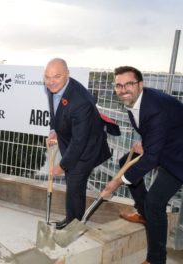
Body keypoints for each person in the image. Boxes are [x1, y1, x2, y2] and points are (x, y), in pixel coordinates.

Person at [102, 66, 183, 264]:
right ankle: (145, 214)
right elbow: (158, 130)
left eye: (128, 84)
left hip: (179, 157)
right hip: (169, 144)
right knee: (126, 163)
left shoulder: (155, 108)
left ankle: (156, 260)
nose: (123, 89)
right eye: (119, 85)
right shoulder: (135, 101)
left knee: (155, 203)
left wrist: (117, 182)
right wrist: (146, 143)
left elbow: (151, 158)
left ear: (140, 84)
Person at [44, 58, 111, 229]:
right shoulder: (54, 87)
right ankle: (72, 219)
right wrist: (54, 131)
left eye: (56, 76)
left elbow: (79, 141)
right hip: (73, 141)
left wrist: (63, 165)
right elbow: (56, 113)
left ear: (67, 75)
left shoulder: (81, 101)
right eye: (47, 77)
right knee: (73, 184)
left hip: (87, 148)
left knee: (74, 184)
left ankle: (74, 225)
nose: (51, 82)